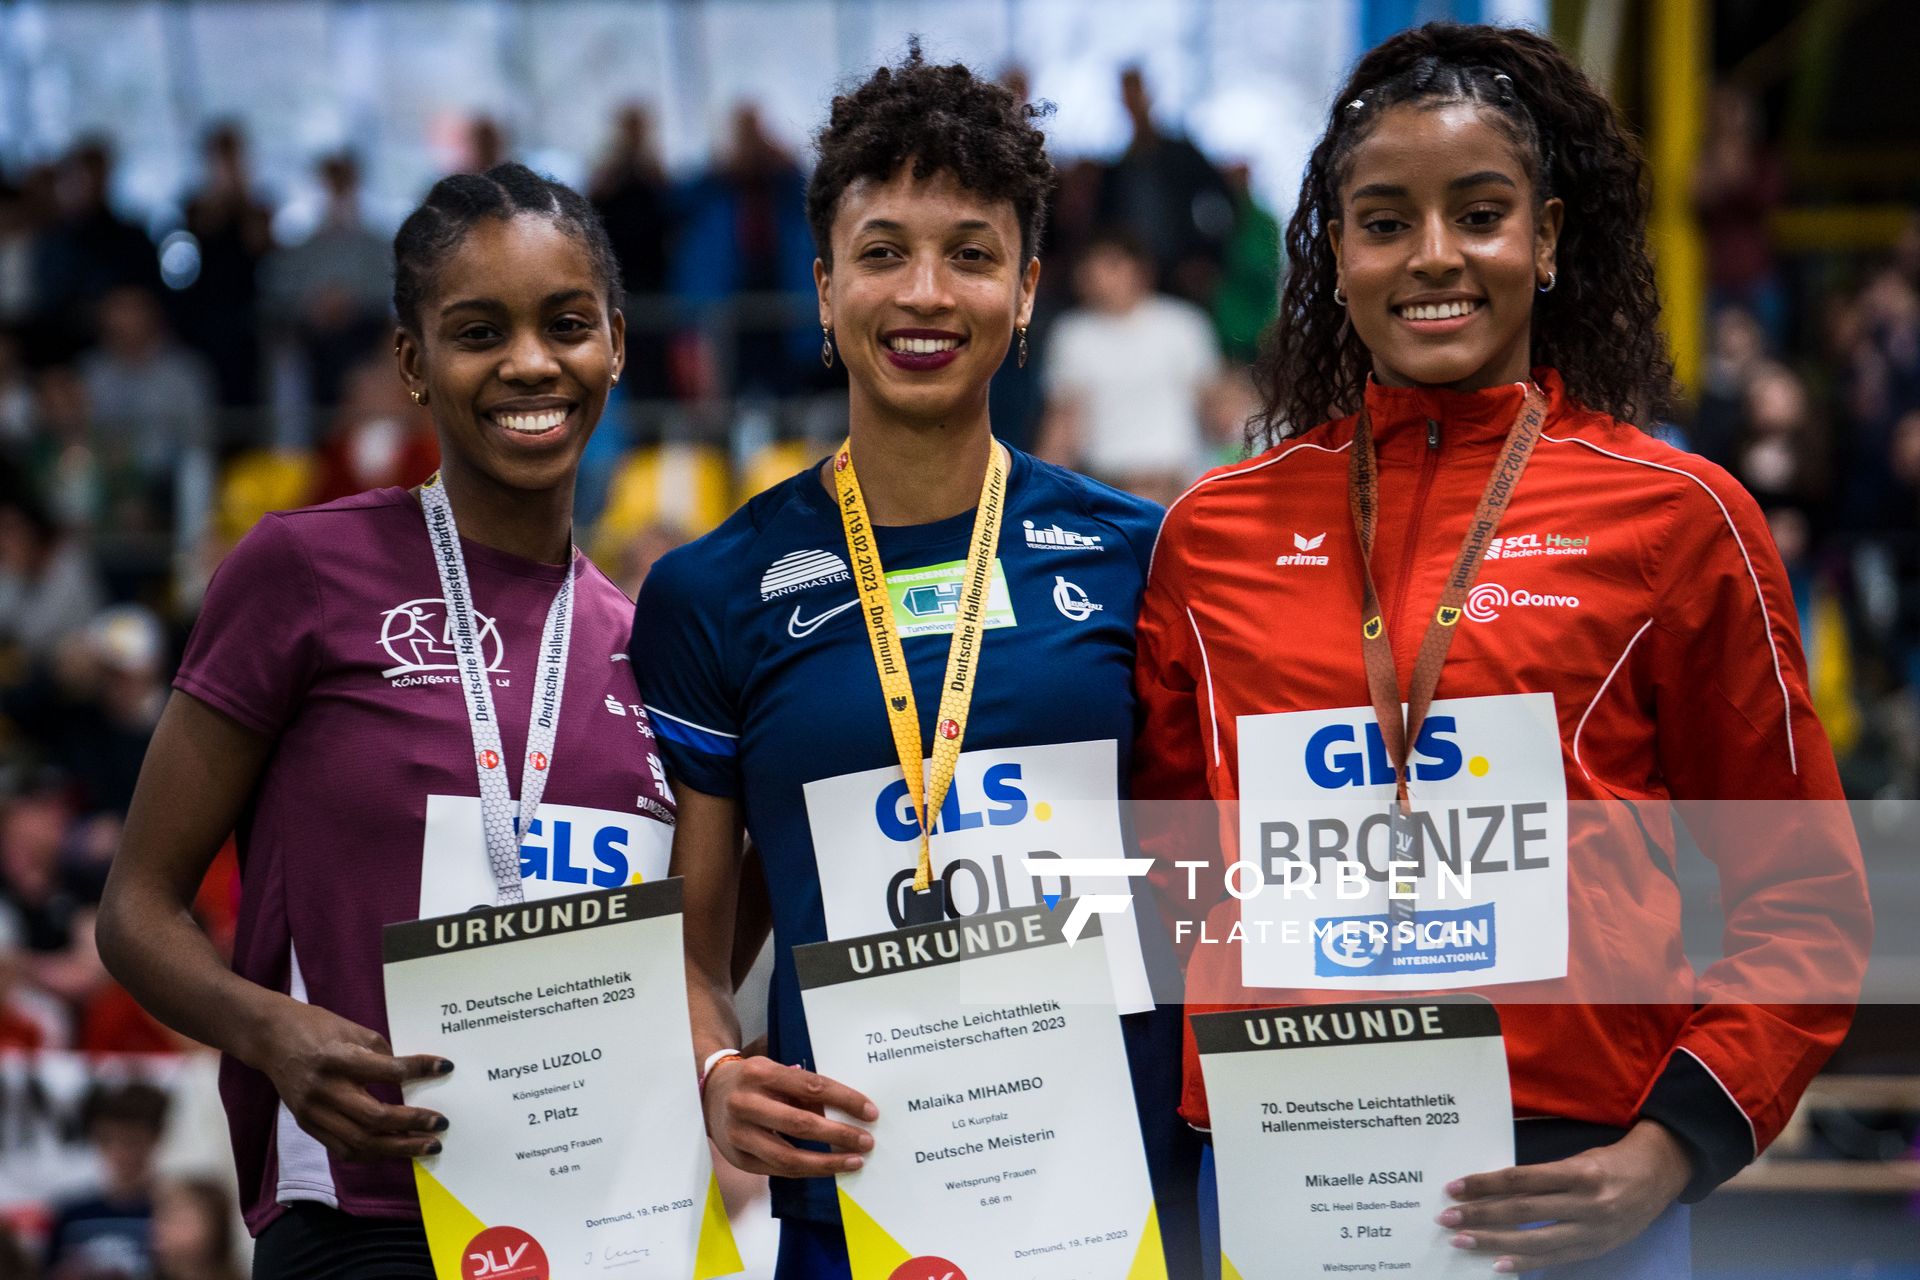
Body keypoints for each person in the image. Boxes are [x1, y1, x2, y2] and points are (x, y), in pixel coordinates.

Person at [1133, 22, 1871, 1277]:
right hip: (1291, 1181)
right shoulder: (1214, 535)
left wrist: (1671, 1148)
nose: (1434, 258)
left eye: (1479, 213)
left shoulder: (1678, 518)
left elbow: (1805, 895)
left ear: (1547, 237)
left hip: (1581, 1198)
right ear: (1337, 252)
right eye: (1384, 220)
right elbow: (1164, 875)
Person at [631, 48, 1201, 1280]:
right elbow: (693, 946)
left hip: (1119, 1204)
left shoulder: (1143, 556)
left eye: (972, 251)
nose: (926, 293)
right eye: (883, 251)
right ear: (826, 287)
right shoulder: (712, 589)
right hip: (861, 1207)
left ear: (1030, 287)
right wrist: (716, 1068)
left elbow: (1202, 881)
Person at [96, 162, 676, 1277]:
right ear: (413, 360)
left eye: (566, 323)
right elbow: (135, 908)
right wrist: (266, 1029)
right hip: (364, 1222)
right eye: (477, 330)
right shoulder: (302, 569)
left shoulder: (642, 642)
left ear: (615, 341)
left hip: (601, 1221)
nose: (528, 363)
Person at [1037, 227, 1224, 504]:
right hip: (1107, 489)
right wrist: (1038, 492)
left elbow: (1214, 407)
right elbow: (1064, 424)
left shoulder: (1183, 325)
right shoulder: (1073, 334)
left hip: (1178, 486)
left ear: (1141, 270)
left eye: (1111, 265)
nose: (1099, 276)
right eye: (1090, 267)